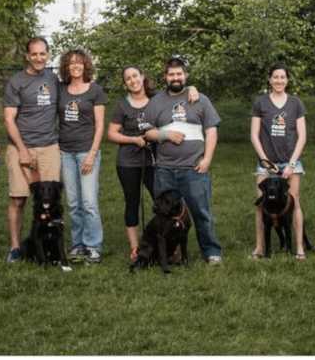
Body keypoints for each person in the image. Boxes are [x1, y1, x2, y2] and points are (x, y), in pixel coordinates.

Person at [107, 65, 198, 262]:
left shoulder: (158, 98)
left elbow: (179, 92)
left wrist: (192, 88)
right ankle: (135, 248)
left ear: (142, 77)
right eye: (128, 78)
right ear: (125, 84)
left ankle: (172, 245)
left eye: (135, 75)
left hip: (156, 161)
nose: (133, 80)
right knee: (132, 203)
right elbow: (112, 134)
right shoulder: (122, 105)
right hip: (128, 162)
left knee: (165, 202)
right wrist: (133, 140)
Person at [144, 56, 223, 264]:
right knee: (164, 215)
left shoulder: (200, 99)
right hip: (165, 170)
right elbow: (147, 133)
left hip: (194, 168)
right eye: (171, 74)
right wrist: (165, 135)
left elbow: (211, 130)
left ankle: (212, 252)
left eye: (179, 74)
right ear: (165, 77)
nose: (176, 77)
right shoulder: (156, 102)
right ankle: (173, 253)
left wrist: (207, 159)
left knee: (201, 212)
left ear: (185, 75)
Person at [3, 37, 60, 263]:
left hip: (49, 147)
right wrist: (23, 150)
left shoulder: (53, 79)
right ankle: (16, 248)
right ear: (27, 56)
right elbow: (8, 120)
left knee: (50, 199)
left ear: (48, 54)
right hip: (21, 147)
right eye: (34, 54)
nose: (39, 58)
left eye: (42, 53)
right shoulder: (16, 82)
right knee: (18, 199)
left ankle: (50, 246)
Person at [250, 64, 307, 260]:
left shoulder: (296, 103)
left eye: (283, 77)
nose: (279, 81)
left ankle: (299, 248)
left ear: (287, 80)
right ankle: (260, 248)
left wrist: (292, 164)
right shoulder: (261, 103)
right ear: (270, 79)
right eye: (275, 77)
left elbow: (302, 136)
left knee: (294, 202)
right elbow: (254, 135)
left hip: (291, 161)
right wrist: (264, 160)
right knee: (261, 204)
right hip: (266, 162)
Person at [57, 49, 107, 264]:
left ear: (85, 65)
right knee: (73, 203)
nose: (75, 66)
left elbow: (100, 125)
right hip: (65, 152)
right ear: (66, 67)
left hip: (87, 151)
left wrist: (92, 155)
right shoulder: (61, 90)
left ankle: (93, 246)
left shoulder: (95, 91)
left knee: (89, 202)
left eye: (79, 63)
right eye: (71, 63)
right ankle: (77, 245)